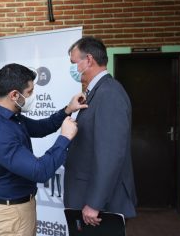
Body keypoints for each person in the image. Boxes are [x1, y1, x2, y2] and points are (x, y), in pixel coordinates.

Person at [0, 63, 87, 236]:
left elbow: (41, 127)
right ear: (14, 94)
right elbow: (39, 171)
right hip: (11, 213)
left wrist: (68, 110)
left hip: (19, 206)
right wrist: (65, 138)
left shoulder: (10, 117)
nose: (32, 96)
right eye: (29, 92)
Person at [63, 36, 137, 226]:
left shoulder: (109, 94)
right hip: (87, 194)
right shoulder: (97, 92)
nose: (72, 68)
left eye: (73, 62)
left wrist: (95, 203)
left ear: (88, 60)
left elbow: (110, 154)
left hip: (100, 205)